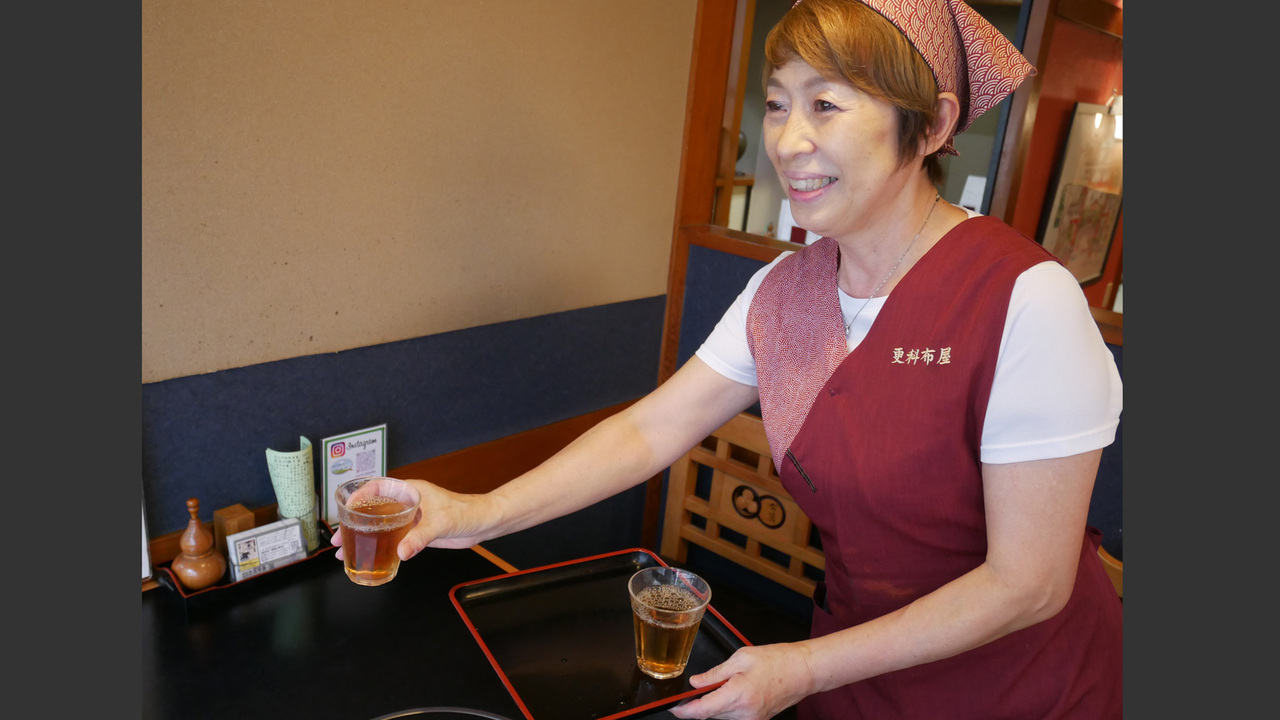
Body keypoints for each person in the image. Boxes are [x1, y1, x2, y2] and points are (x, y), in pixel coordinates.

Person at [332, 0, 1123, 717]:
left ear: (934, 124)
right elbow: (651, 430)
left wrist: (806, 669)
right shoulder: (786, 287)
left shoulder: (1026, 300)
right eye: (778, 103)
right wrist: (475, 514)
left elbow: (1031, 584)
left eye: (826, 104)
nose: (786, 140)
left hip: (1019, 687)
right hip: (853, 670)